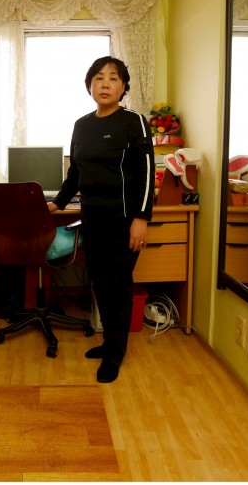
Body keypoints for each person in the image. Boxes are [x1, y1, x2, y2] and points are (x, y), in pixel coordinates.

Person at [49, 56, 155, 384]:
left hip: (123, 219)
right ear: (89, 86)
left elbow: (147, 172)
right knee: (98, 283)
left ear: (124, 87)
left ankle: (115, 353)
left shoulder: (133, 121)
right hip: (93, 217)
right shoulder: (82, 125)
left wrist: (141, 218)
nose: (105, 83)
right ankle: (110, 342)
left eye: (113, 78)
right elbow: (76, 172)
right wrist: (59, 203)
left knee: (117, 287)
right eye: (98, 78)